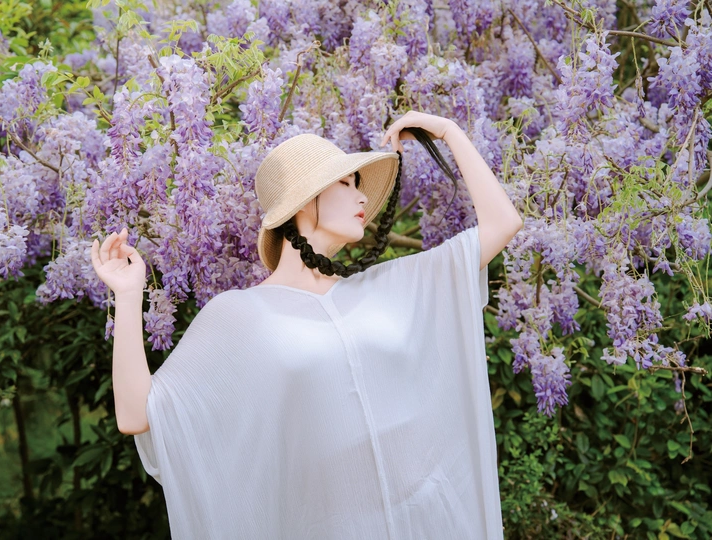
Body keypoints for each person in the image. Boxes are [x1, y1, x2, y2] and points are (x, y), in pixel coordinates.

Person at [90, 110, 523, 539]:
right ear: (302, 202)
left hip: (422, 522)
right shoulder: (242, 314)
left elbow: (504, 223)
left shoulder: (389, 288)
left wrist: (448, 131)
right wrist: (128, 295)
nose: (361, 198)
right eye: (346, 183)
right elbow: (136, 414)